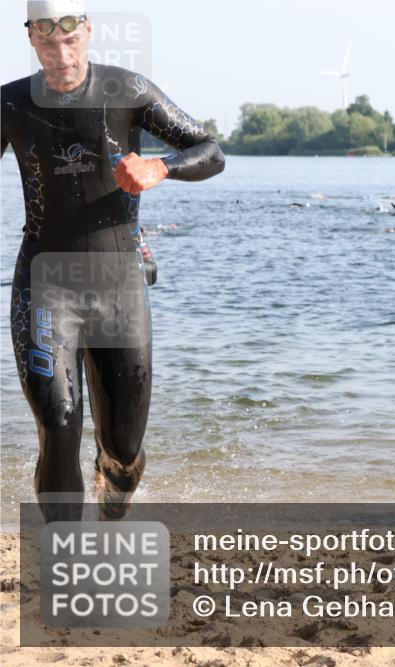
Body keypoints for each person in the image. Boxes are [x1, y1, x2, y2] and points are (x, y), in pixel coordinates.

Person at [2, 0, 225, 521]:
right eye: (48, 42)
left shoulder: (128, 90)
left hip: (119, 285)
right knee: (58, 423)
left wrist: (162, 167)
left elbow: (210, 151)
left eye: (71, 41)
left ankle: (114, 486)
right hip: (44, 284)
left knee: (122, 452)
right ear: (31, 38)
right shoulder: (9, 104)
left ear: (89, 33)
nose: (62, 55)